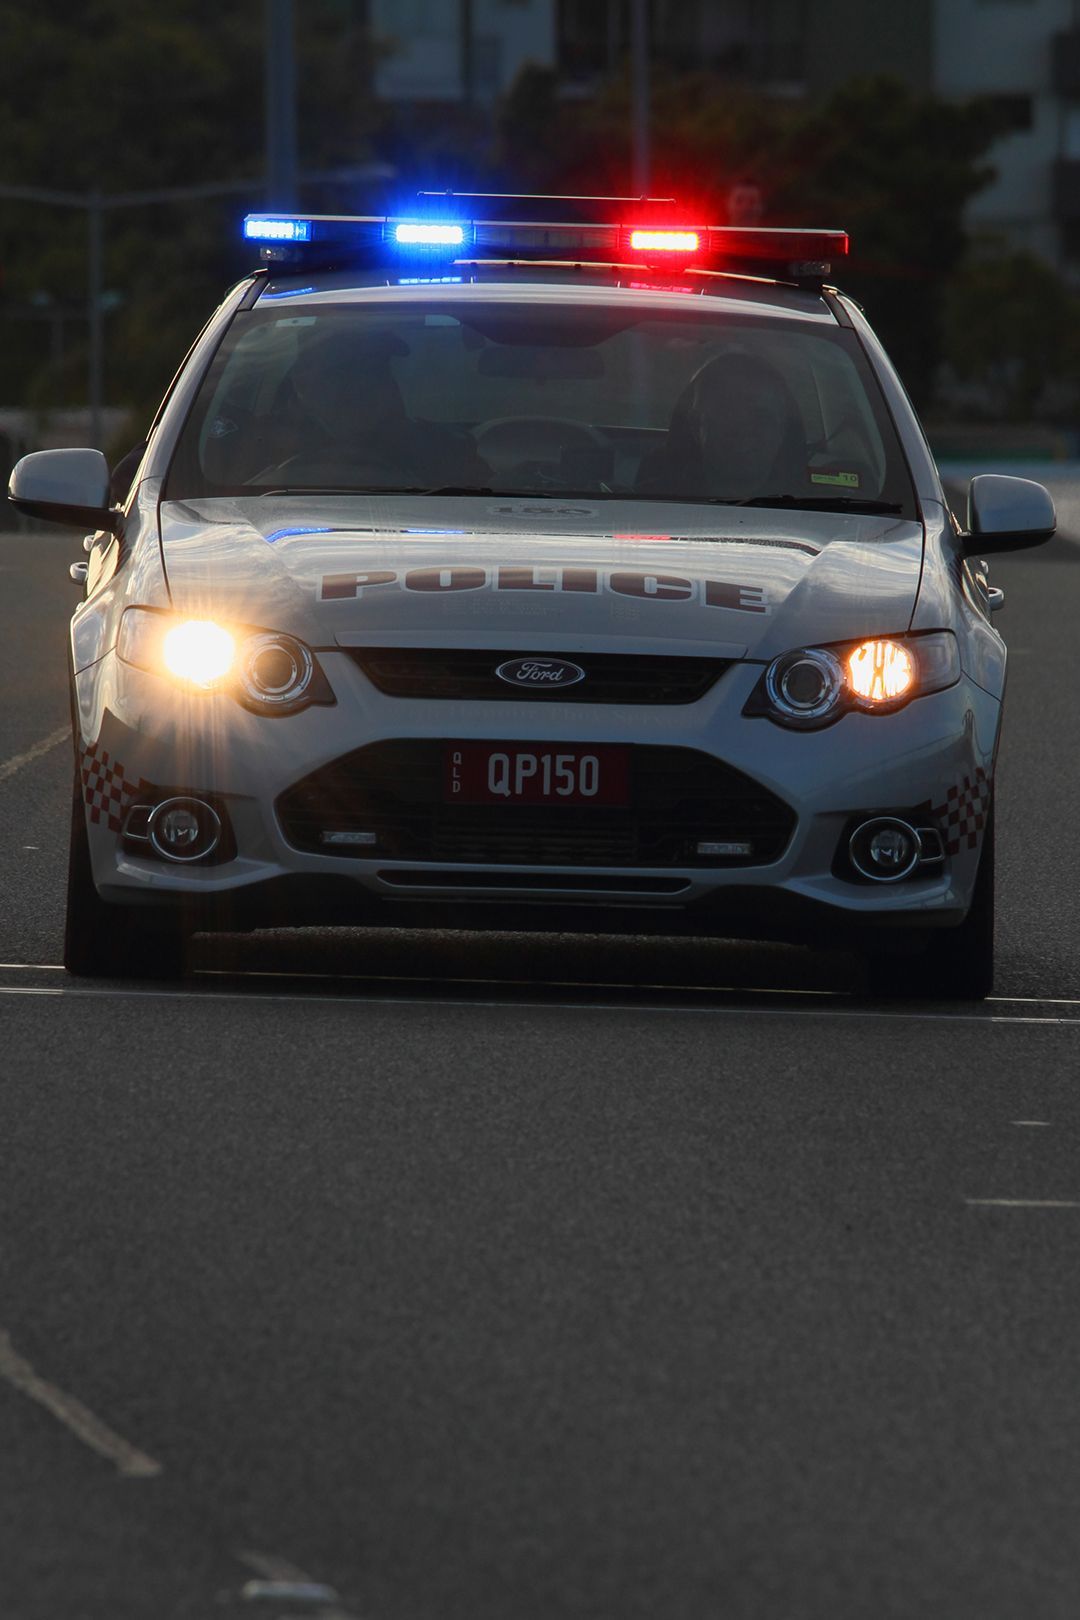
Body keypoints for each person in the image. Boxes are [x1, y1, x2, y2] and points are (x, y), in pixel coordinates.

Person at [282, 328, 491, 490]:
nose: (360, 391)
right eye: (340, 379)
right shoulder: (279, 460)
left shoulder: (446, 455)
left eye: (377, 373)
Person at [639, 351, 808, 501]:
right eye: (728, 414)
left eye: (761, 416)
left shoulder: (824, 511)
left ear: (783, 429)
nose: (744, 429)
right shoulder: (643, 508)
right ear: (696, 425)